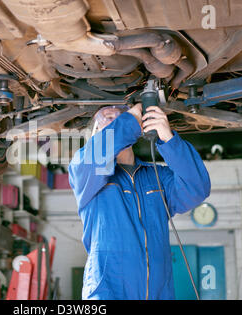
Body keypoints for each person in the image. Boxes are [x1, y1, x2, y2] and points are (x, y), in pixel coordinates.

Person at [68, 103, 211, 300]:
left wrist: (168, 139)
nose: (113, 122)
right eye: (106, 122)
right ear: (95, 135)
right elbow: (94, 157)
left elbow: (197, 188)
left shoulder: (156, 176)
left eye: (117, 117)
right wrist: (130, 119)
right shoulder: (86, 174)